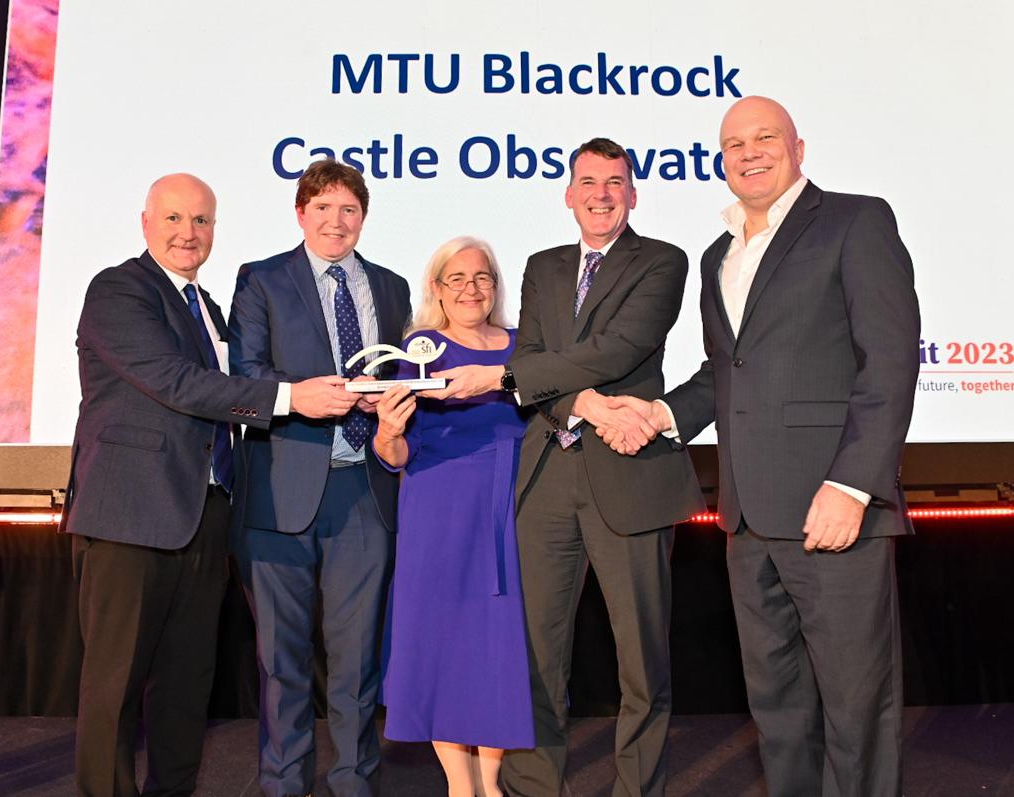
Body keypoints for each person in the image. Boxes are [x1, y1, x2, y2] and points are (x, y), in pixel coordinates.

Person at [603, 97, 920, 796]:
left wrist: (853, 485)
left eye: (764, 137)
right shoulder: (721, 252)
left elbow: (890, 361)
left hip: (833, 510)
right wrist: (659, 413)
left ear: (798, 146)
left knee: (855, 710)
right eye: (733, 143)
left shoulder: (855, 221)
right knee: (778, 711)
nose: (749, 151)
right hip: (747, 521)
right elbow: (727, 370)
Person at [424, 139, 705, 797]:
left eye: (615, 182)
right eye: (588, 181)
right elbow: (543, 355)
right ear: (568, 193)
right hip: (546, 477)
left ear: (632, 194)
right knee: (533, 657)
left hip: (632, 474)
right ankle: (530, 788)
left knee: (642, 662)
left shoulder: (662, 260)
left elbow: (620, 348)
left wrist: (520, 377)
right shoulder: (541, 266)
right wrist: (587, 405)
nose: (601, 193)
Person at [61, 173, 351, 797]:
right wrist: (290, 397)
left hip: (203, 517)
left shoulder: (208, 305)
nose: (187, 234)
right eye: (173, 219)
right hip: (129, 520)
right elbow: (176, 383)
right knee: (114, 691)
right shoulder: (119, 291)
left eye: (201, 221)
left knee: (185, 686)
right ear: (146, 223)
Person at [228, 158, 411, 797]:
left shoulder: (390, 287)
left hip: (364, 491)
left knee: (358, 659)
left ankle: (354, 782)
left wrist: (388, 398)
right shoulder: (262, 280)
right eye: (324, 208)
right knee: (281, 661)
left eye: (350, 210)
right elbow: (245, 374)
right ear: (301, 213)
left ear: (364, 217)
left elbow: (398, 374)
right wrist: (303, 395)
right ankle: (283, 784)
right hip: (281, 490)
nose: (337, 221)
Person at [373, 236, 534, 797]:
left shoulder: (524, 346)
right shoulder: (419, 349)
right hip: (437, 511)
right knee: (440, 644)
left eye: (482, 277)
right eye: (456, 278)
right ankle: (458, 786)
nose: (471, 288)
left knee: (495, 645)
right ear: (436, 288)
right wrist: (388, 432)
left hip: (510, 507)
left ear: (496, 284)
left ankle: (490, 783)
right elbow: (396, 452)